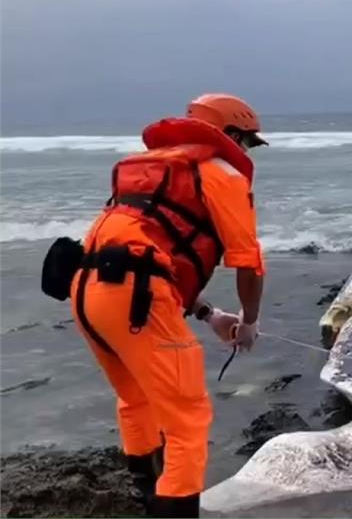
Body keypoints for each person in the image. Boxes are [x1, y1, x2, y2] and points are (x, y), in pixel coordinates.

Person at [62, 93, 268, 517]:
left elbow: (152, 251)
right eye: (247, 140)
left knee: (136, 400)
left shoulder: (148, 170)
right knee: (188, 420)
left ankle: (148, 499)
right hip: (138, 299)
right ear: (229, 134)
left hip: (86, 289)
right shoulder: (220, 173)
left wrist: (210, 314)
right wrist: (249, 321)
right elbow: (247, 262)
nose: (246, 151)